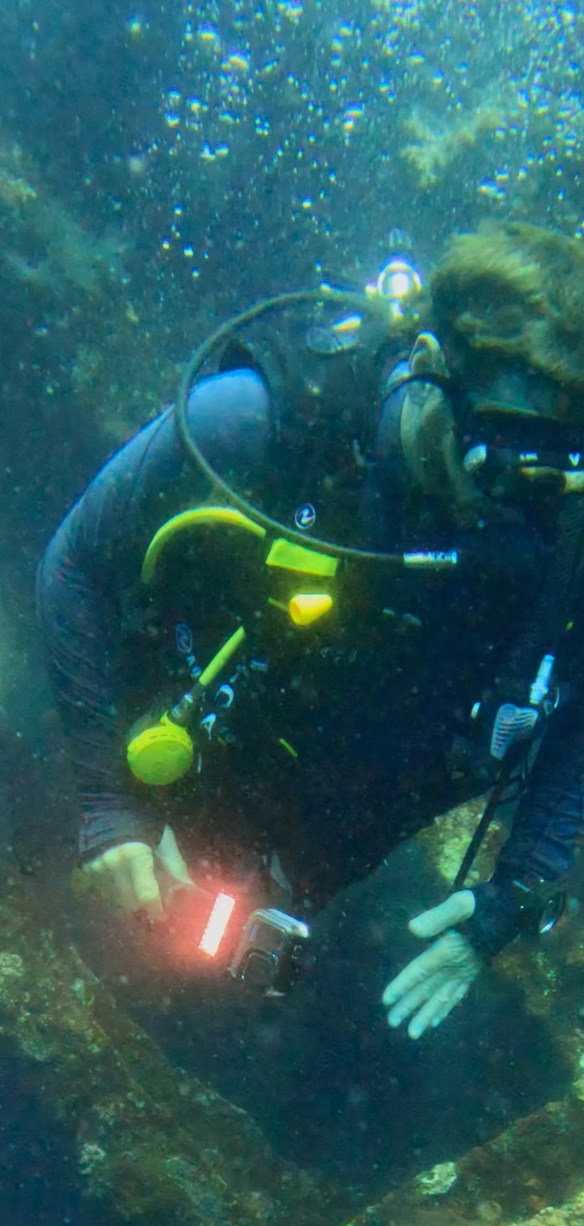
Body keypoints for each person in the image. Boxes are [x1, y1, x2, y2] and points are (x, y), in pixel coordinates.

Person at [39, 223, 584, 1031]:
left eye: (558, 465)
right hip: (150, 761)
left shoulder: (563, 528)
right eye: (497, 455)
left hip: (320, 844)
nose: (514, 501)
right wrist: (104, 805)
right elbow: (75, 563)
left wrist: (514, 894)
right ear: (434, 377)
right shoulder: (267, 419)